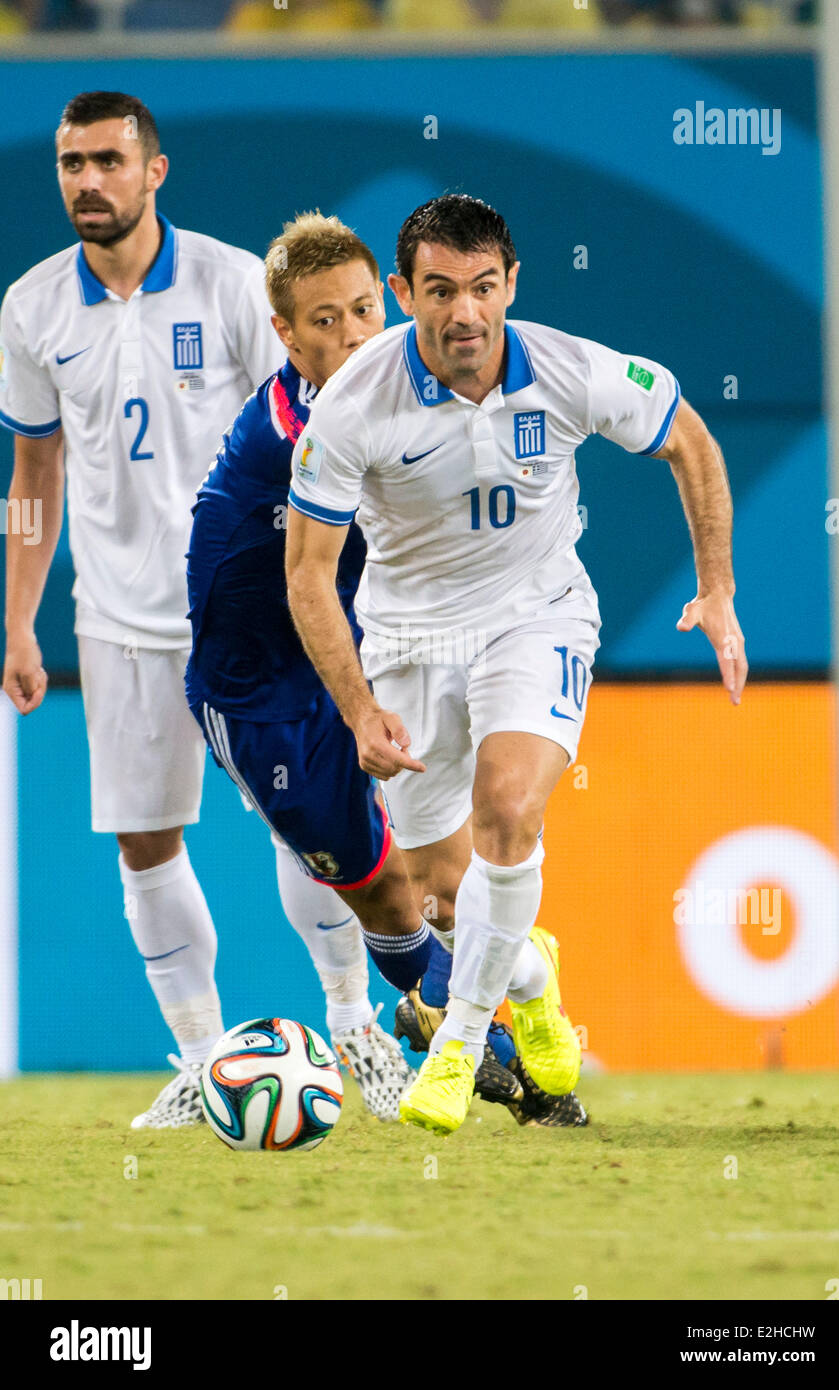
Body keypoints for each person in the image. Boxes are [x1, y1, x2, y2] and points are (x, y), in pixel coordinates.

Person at [285, 193, 748, 1135]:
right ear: (402, 291)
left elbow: (688, 439)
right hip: (409, 644)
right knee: (439, 898)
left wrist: (719, 589)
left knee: (509, 806)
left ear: (512, 283)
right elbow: (306, 573)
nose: (465, 313)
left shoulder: (570, 369)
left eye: (484, 287)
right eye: (441, 291)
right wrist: (359, 708)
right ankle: (530, 982)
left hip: (533, 618)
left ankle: (455, 1048)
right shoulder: (350, 405)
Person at [186, 211, 588, 1129]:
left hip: (372, 658)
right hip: (267, 691)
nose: (355, 336)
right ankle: (464, 1012)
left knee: (453, 877)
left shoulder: (405, 398)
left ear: (389, 301)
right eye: (324, 321)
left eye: (365, 310)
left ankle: (499, 1055)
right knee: (381, 894)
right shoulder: (300, 430)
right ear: (283, 334)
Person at [1, 90, 326, 1130]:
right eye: (70, 162)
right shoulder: (30, 309)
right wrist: (17, 617)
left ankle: (358, 1029)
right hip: (118, 617)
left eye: (107, 159)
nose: (87, 180)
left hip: (250, 609)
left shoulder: (235, 286)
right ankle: (203, 1062)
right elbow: (33, 475)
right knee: (144, 839)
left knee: (305, 820)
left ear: (155, 171)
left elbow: (309, 441)